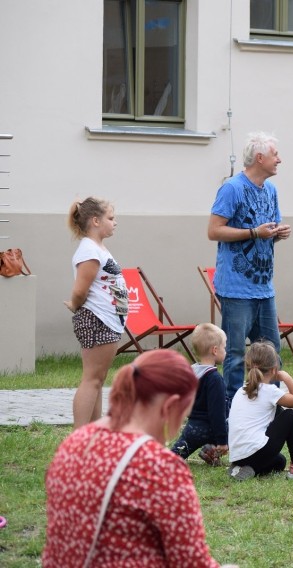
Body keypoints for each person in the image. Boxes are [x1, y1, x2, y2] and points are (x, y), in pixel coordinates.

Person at [43, 350, 226, 567]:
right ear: (169, 407)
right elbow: (192, 562)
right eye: (183, 413)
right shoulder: (160, 467)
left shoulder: (74, 443)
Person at [208, 132, 292, 404]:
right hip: (236, 288)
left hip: (264, 287)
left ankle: (270, 406)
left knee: (271, 352)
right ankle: (232, 411)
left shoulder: (271, 190)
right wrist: (254, 233)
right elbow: (214, 231)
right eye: (275, 155)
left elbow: (267, 229)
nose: (279, 159)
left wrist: (277, 233)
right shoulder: (232, 188)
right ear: (259, 158)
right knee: (234, 354)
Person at [64, 197, 128, 429]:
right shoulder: (89, 251)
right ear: (95, 221)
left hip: (106, 320)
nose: (115, 223)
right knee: (91, 380)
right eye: (110, 218)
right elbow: (80, 289)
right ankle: (80, 438)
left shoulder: (97, 248)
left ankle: (94, 432)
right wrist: (74, 303)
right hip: (96, 319)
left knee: (97, 381)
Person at [227, 340, 293, 481]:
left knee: (279, 461)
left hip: (239, 455)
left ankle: (242, 468)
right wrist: (286, 377)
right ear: (274, 369)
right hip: (255, 452)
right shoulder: (269, 391)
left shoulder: (241, 389)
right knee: (291, 416)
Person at [171, 323, 230, 465]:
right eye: (224, 347)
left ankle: (208, 450)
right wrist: (222, 441)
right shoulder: (215, 379)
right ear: (215, 350)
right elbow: (217, 413)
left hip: (192, 428)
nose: (226, 350)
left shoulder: (192, 372)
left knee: (173, 458)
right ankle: (212, 449)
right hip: (210, 428)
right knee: (242, 433)